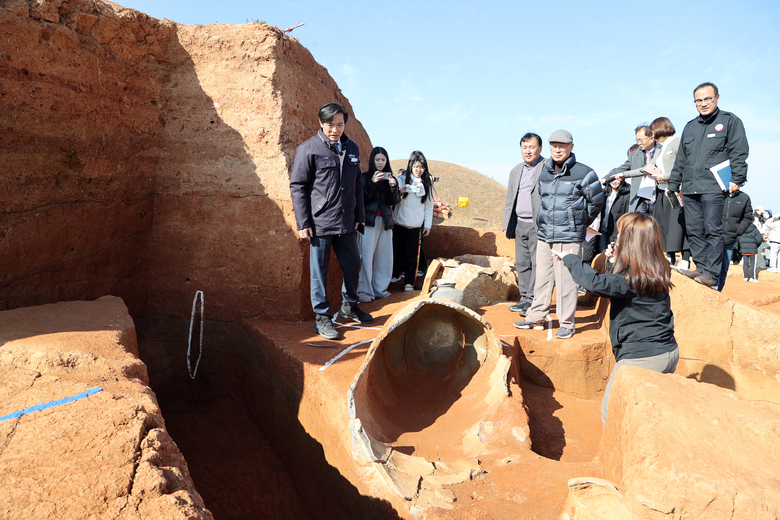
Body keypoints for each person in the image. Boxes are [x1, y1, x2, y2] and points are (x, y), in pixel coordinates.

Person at [554, 212, 679, 424]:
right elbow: (621, 282)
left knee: (611, 413)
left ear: (631, 242)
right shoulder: (659, 266)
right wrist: (614, 261)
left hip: (641, 359)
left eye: (621, 235)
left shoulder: (628, 279)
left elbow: (596, 284)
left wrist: (571, 258)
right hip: (668, 352)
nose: (617, 239)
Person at [289, 102, 373, 340]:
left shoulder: (352, 149)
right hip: (320, 223)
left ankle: (349, 306)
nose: (335, 130)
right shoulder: (308, 149)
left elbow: (357, 184)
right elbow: (298, 186)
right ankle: (322, 317)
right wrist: (303, 222)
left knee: (353, 266)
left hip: (347, 222)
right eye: (330, 125)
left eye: (340, 125)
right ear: (320, 123)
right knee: (319, 272)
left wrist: (359, 217)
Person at [514, 130, 603, 339]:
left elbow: (597, 201)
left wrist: (579, 222)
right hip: (545, 235)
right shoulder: (544, 171)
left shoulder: (584, 172)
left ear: (571, 147)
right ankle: (536, 316)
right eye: (554, 145)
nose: (557, 149)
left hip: (570, 236)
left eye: (562, 145)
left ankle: (566, 323)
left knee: (566, 281)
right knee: (542, 278)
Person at [667, 82, 749, 287]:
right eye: (699, 100)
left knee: (713, 229)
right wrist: (675, 182)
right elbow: (681, 159)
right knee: (694, 230)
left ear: (717, 98)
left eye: (708, 99)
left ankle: (712, 272)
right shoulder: (690, 126)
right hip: (690, 187)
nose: (703, 103)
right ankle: (701, 268)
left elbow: (739, 151)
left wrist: (737, 178)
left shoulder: (730, 121)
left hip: (713, 187)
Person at [503, 132, 545, 316]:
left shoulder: (547, 167)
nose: (528, 151)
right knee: (522, 263)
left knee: (538, 263)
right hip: (520, 223)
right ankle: (525, 298)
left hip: (538, 225)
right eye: (524, 147)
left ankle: (535, 301)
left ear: (540, 148)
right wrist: (507, 223)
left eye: (532, 147)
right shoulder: (516, 170)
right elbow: (509, 199)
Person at [642, 117, 691, 270]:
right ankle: (669, 258)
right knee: (664, 225)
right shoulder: (661, 147)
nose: (652, 135)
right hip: (662, 191)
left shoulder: (677, 143)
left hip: (676, 190)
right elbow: (648, 167)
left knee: (680, 225)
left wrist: (665, 176)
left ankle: (685, 259)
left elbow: (685, 166)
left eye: (653, 131)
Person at [357, 147, 401, 302]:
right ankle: (364, 291)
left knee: (384, 258)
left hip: (386, 222)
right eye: (378, 160)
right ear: (372, 161)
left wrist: (393, 188)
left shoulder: (390, 178)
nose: (381, 163)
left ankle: (379, 289)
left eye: (383, 160)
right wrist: (371, 182)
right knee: (366, 257)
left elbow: (393, 201)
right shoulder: (364, 176)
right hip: (369, 222)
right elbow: (362, 198)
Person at [392, 151, 434, 292]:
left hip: (415, 226)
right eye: (416, 166)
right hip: (398, 223)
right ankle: (394, 275)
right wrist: (401, 191)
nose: (418, 170)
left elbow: (428, 206)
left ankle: (409, 282)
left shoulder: (427, 183)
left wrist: (427, 225)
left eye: (421, 167)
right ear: (410, 166)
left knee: (412, 255)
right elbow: (392, 199)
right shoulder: (401, 179)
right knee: (396, 252)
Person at [608, 125, 660, 213]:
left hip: (657, 194)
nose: (639, 143)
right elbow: (622, 168)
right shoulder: (634, 154)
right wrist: (606, 178)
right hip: (640, 196)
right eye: (637, 140)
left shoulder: (662, 150)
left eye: (641, 140)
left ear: (651, 138)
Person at [717, 187, 753, 291]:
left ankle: (718, 292)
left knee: (724, 267)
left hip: (730, 239)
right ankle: (712, 289)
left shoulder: (744, 197)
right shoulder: (717, 194)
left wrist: (738, 230)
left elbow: (748, 217)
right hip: (713, 237)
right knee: (713, 265)